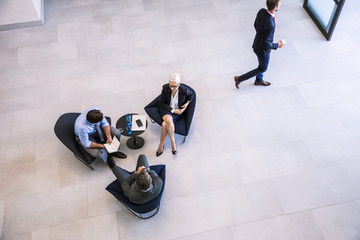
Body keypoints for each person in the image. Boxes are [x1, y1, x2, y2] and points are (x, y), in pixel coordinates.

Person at [234, 0, 285, 88]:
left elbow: (255, 25)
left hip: (257, 43)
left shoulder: (261, 11)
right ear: (275, 7)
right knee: (263, 68)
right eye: (279, 4)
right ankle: (240, 79)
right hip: (263, 50)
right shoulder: (270, 25)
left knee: (261, 65)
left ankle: (259, 80)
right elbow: (265, 43)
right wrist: (277, 45)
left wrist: (261, 34)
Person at [156, 73, 195, 156]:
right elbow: (161, 103)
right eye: (170, 86)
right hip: (166, 109)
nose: (172, 88)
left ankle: (161, 146)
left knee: (164, 124)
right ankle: (173, 143)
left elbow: (192, 94)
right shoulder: (165, 88)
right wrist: (173, 110)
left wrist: (187, 103)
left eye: (174, 86)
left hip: (177, 111)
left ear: (179, 84)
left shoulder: (184, 90)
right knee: (168, 119)